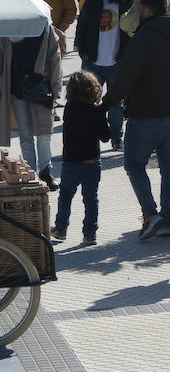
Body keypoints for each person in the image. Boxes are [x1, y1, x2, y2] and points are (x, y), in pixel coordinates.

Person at [102, 0, 170, 241]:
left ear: (146, 10)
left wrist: (105, 104)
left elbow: (125, 79)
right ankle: (165, 218)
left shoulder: (143, 38)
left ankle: (150, 214)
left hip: (145, 114)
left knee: (134, 164)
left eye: (138, 8)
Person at [75, 0, 131, 150]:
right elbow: (81, 26)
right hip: (93, 62)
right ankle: (91, 137)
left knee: (116, 104)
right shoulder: (93, 1)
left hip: (119, 62)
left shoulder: (130, 3)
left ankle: (116, 138)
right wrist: (82, 50)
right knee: (87, 101)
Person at [51, 70, 108, 246]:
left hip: (70, 161)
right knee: (91, 199)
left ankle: (61, 228)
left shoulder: (69, 108)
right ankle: (89, 234)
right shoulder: (96, 111)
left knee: (66, 195)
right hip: (91, 162)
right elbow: (105, 136)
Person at [6, 21, 63, 190]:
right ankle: (30, 172)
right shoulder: (6, 28)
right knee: (25, 133)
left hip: (41, 88)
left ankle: (46, 171)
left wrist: (56, 89)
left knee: (45, 133)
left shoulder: (44, 27)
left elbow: (55, 60)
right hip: (17, 88)